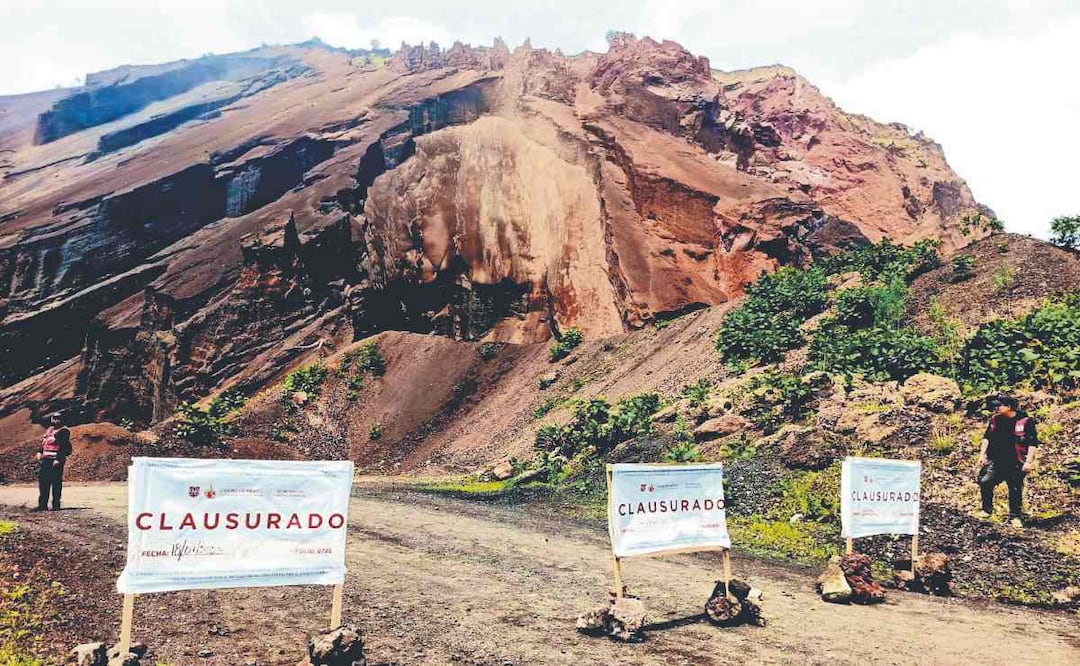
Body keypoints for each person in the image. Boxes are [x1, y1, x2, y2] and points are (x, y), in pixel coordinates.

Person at [976, 395, 1038, 528]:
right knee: (985, 482)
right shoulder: (995, 419)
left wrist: (1028, 461)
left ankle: (1015, 516)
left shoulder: (1025, 421)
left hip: (1016, 461)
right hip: (997, 460)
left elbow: (1032, 442)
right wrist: (982, 454)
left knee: (1015, 488)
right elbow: (987, 437)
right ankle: (987, 509)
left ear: (1009, 407)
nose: (996, 408)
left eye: (999, 406)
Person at [33, 412, 71, 512]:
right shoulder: (49, 430)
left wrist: (58, 459)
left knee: (56, 483)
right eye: (54, 418)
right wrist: (39, 452)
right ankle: (42, 505)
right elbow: (44, 442)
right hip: (46, 459)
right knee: (43, 482)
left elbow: (63, 446)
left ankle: (55, 505)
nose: (55, 420)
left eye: (58, 418)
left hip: (55, 461)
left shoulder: (64, 431)